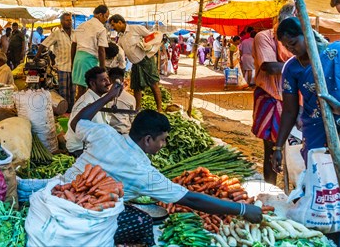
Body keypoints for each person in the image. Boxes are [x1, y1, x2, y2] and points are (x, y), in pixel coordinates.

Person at [66, 85, 262, 245]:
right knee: (141, 223)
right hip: (83, 218)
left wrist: (108, 97)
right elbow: (191, 199)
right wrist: (243, 210)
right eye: (163, 140)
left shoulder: (105, 133)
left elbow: (77, 121)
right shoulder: (142, 172)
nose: (165, 145)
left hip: (59, 190)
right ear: (148, 139)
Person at [272, 17, 340, 247]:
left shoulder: (339, 51)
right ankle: (328, 229)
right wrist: (278, 146)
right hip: (315, 130)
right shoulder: (292, 67)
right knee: (321, 182)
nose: (291, 49)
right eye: (286, 46)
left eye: (294, 42)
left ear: (307, 33)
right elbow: (290, 110)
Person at [251, 4, 295, 185]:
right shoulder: (264, 37)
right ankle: (271, 188)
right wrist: (300, 64)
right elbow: (269, 67)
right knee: (271, 148)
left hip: (295, 98)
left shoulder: (304, 39)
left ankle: (296, 187)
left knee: (297, 147)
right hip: (271, 97)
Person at [109, 14, 162, 112]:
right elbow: (120, 53)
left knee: (153, 84)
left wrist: (147, 46)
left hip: (146, 60)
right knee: (136, 87)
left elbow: (152, 36)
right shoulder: (120, 38)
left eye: (113, 25)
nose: (113, 28)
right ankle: (137, 109)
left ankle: (159, 109)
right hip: (135, 64)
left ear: (120, 22)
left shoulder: (136, 28)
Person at [65, 67, 112, 157]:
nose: (108, 83)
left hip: (93, 146)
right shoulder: (85, 102)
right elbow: (75, 126)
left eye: (107, 79)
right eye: (103, 80)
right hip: (80, 149)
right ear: (93, 83)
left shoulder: (100, 99)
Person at [35, 13, 74, 108]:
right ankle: (63, 112)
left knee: (72, 92)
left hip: (74, 67)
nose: (69, 22)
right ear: (61, 22)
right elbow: (44, 44)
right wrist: (37, 56)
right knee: (63, 92)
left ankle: (71, 111)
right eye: (67, 20)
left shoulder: (75, 33)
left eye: (70, 20)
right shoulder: (57, 34)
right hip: (62, 66)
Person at [71, 5, 109, 98]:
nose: (106, 20)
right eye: (106, 16)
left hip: (78, 58)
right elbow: (101, 50)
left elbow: (73, 46)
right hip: (89, 59)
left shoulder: (81, 26)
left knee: (80, 89)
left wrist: (73, 62)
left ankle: (78, 110)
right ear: (100, 15)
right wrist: (102, 69)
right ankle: (84, 110)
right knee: (92, 91)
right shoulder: (101, 28)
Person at [107, 67, 137, 134]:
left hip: (107, 132)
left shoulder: (103, 97)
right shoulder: (131, 98)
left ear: (109, 79)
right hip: (124, 132)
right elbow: (132, 119)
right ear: (123, 80)